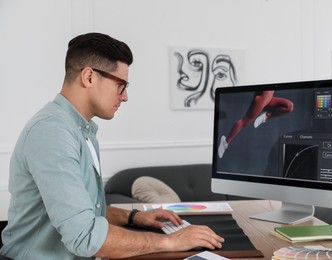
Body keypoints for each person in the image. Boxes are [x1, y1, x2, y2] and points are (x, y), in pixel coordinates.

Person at [0, 32, 224, 260]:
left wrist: (134, 217)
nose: (125, 96)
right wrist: (170, 241)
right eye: (120, 85)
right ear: (88, 77)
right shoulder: (52, 133)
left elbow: (83, 211)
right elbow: (85, 236)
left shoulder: (80, 130)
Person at [218, 90, 293, 158]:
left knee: (289, 106)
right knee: (244, 122)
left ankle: (266, 116)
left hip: (269, 99)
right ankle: (225, 141)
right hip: (262, 99)